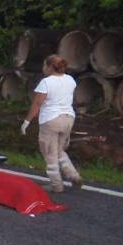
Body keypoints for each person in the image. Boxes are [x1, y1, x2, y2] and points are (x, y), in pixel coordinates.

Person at [21, 55, 83, 193]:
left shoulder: (46, 82)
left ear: (49, 67)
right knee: (58, 149)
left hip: (51, 120)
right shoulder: (70, 79)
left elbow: (37, 103)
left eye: (44, 65)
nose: (43, 68)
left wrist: (27, 121)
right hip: (68, 118)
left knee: (50, 153)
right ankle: (73, 175)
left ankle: (56, 185)